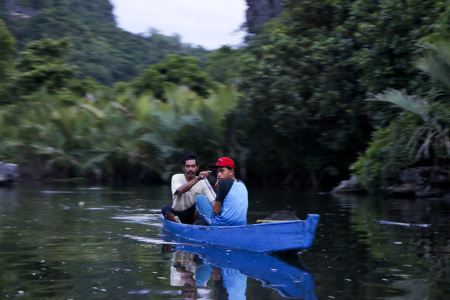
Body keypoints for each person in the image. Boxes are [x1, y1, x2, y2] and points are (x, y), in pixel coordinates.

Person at [162, 153, 215, 224]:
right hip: (177, 213)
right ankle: (178, 225)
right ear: (183, 168)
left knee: (200, 205)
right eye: (188, 166)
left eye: (193, 166)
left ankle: (194, 226)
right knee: (165, 208)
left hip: (192, 215)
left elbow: (213, 201)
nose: (190, 169)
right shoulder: (176, 177)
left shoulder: (203, 182)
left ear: (197, 167)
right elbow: (180, 190)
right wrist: (198, 179)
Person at [195, 157, 248, 226]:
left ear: (231, 171)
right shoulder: (242, 184)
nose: (219, 174)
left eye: (222, 171)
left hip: (222, 224)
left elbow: (215, 211)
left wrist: (219, 190)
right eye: (217, 171)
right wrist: (219, 190)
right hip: (242, 224)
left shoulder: (224, 183)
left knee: (200, 198)